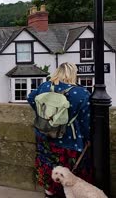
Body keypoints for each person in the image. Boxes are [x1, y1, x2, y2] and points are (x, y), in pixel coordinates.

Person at [27, 62, 92, 198]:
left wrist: (44, 116)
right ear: (73, 74)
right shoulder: (81, 93)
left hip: (45, 136)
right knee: (70, 174)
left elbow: (31, 98)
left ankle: (49, 194)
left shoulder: (45, 86)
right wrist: (88, 138)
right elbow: (85, 121)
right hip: (69, 141)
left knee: (49, 168)